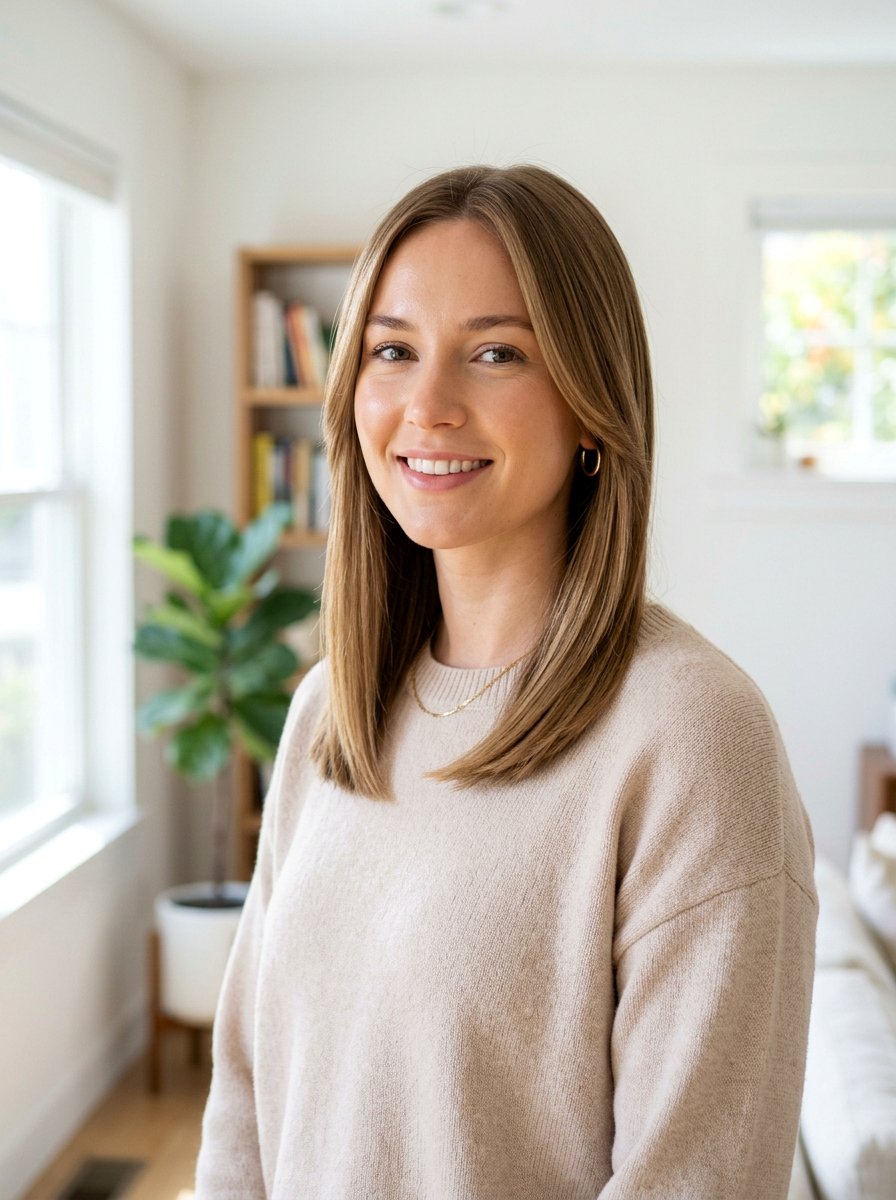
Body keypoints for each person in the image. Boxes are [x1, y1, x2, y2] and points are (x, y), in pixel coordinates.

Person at [195, 164, 817, 1200]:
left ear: (588, 406)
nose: (427, 405)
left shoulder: (693, 734)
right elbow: (243, 1109)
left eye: (493, 353)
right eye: (392, 350)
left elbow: (691, 1180)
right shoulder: (325, 713)